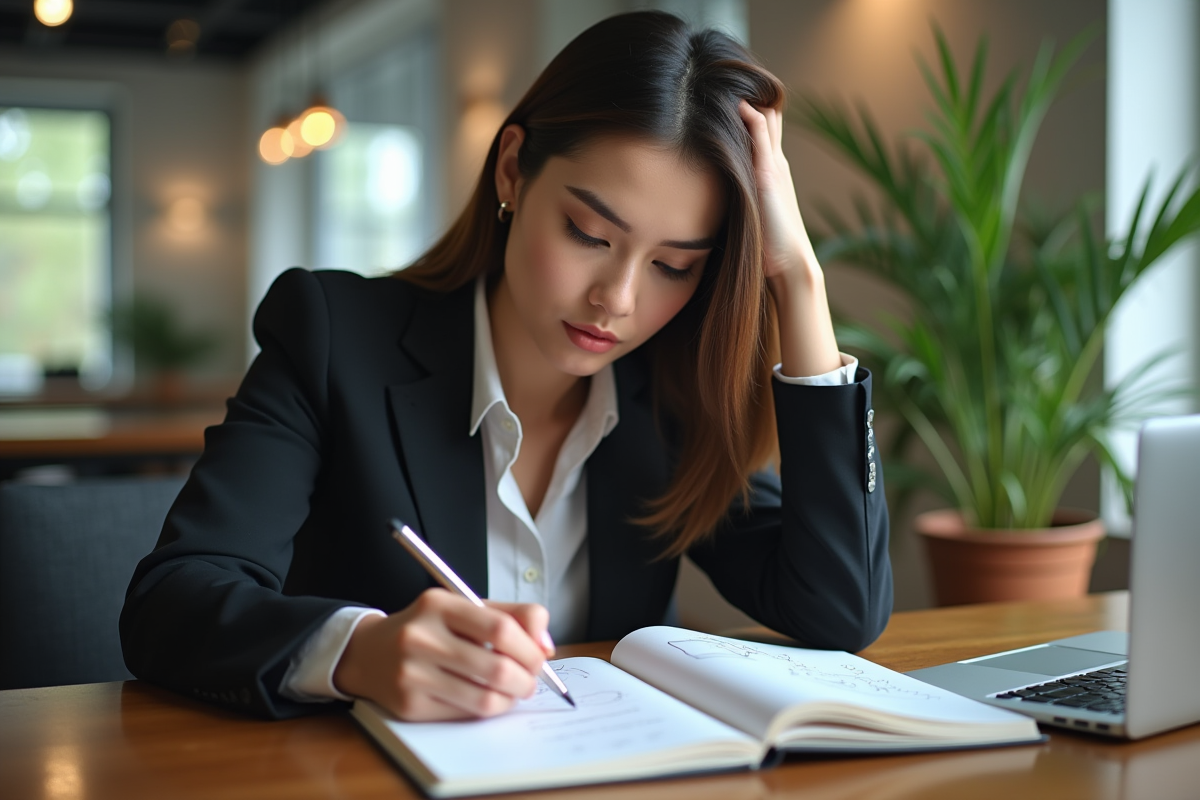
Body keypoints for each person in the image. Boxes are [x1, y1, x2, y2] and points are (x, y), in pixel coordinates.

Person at [120, 10, 891, 722]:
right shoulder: (335, 338)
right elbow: (173, 602)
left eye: (674, 266)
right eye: (589, 233)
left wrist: (798, 280)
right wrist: (357, 651)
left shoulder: (674, 397)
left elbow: (839, 610)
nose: (616, 299)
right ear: (513, 170)